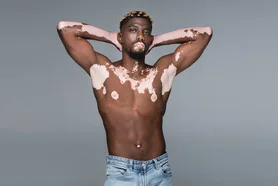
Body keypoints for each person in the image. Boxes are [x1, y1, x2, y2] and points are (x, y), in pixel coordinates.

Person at [56, 10, 213, 186]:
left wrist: (156, 40)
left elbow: (204, 33)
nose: (140, 36)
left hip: (159, 171)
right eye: (133, 30)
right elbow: (65, 29)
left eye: (146, 32)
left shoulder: (159, 74)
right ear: (121, 37)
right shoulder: (104, 72)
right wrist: (109, 36)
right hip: (121, 173)